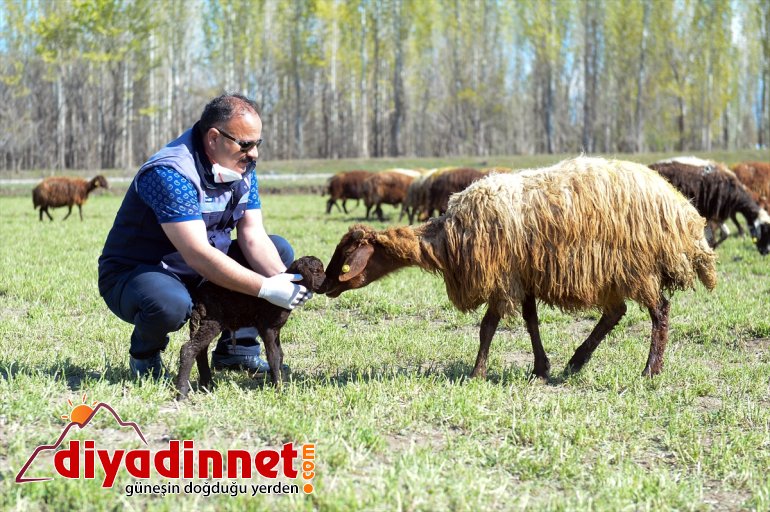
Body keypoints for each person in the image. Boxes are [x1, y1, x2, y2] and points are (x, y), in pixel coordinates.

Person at [98, 93, 311, 379]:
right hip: (142, 273)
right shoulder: (170, 172)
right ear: (213, 138)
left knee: (279, 250)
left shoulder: (242, 166)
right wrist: (265, 289)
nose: (254, 154)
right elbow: (198, 254)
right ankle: (145, 355)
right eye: (246, 144)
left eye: (257, 143)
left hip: (200, 268)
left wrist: (283, 280)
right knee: (171, 304)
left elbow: (253, 236)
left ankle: (237, 350)